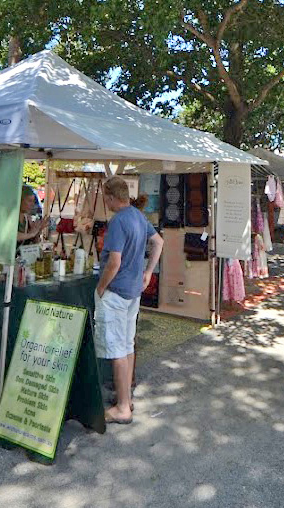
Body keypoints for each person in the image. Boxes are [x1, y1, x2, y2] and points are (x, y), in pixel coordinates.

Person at [94, 176, 164, 425]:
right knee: (127, 345)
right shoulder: (137, 216)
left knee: (117, 350)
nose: (106, 202)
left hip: (116, 292)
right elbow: (158, 242)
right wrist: (147, 272)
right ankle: (127, 397)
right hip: (133, 291)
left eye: (106, 198)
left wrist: (101, 287)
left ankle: (122, 407)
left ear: (112, 197)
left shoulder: (118, 221)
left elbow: (114, 262)